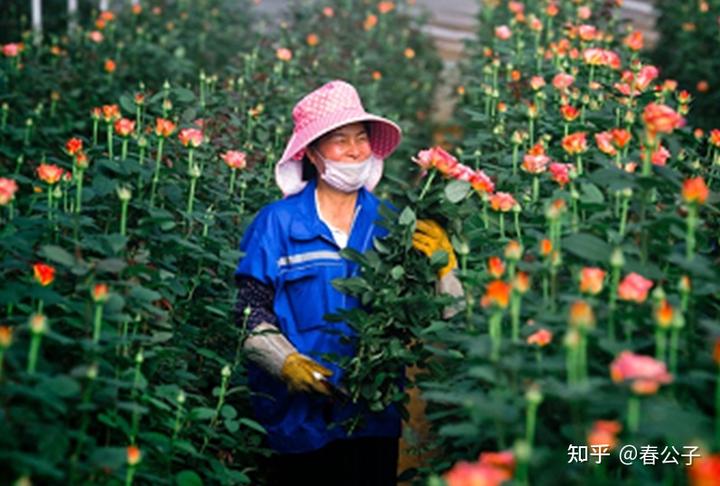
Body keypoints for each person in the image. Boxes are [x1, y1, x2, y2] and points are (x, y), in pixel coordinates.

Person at [233, 80, 462, 486]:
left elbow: (445, 319)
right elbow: (250, 307)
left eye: (361, 139)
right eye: (340, 141)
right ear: (313, 152)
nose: (356, 151)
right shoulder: (278, 223)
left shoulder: (392, 223)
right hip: (297, 418)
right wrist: (283, 360)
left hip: (372, 417)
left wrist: (446, 269)